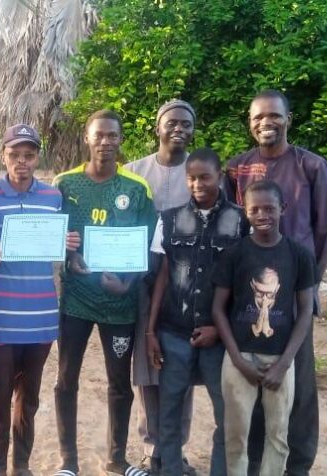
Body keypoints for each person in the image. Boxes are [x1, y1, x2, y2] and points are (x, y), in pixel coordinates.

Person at [226, 89, 327, 475]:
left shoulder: (311, 167)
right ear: (250, 122)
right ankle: (256, 462)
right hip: (247, 298)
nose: (265, 123)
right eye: (257, 117)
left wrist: (311, 287)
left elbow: (326, 230)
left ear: (288, 120)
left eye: (274, 116)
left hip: (292, 297)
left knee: (297, 384)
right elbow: (231, 230)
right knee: (251, 382)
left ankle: (297, 464)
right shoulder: (237, 169)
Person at [53, 110, 156, 476]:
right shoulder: (64, 185)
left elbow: (149, 246)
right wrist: (69, 256)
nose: (106, 142)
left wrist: (127, 284)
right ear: (87, 138)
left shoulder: (136, 188)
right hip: (76, 302)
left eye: (113, 136)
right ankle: (68, 462)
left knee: (119, 384)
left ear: (121, 139)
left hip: (120, 305)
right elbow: (51, 237)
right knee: (66, 380)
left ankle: (116, 459)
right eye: (100, 135)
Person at [0, 124, 79, 476]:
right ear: (2, 156)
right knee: (0, 395)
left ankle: (21, 466)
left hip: (41, 317)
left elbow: (56, 247)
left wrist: (65, 243)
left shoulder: (52, 198)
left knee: (30, 398)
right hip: (0, 318)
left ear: (38, 157)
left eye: (29, 155)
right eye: (14, 155)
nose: (22, 162)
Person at [147, 148, 249, 476]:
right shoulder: (169, 219)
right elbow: (161, 275)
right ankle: (171, 470)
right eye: (191, 178)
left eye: (205, 177)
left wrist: (220, 329)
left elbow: (244, 283)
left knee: (225, 415)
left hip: (220, 338)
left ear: (219, 176)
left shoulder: (241, 222)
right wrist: (151, 331)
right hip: (173, 332)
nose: (197, 184)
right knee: (169, 413)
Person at [211, 180, 315, 476]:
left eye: (269, 208)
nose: (262, 215)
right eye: (254, 209)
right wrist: (238, 360)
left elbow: (306, 310)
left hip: (281, 359)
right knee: (235, 437)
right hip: (239, 356)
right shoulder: (234, 254)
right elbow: (218, 309)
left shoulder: (298, 255)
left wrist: (285, 363)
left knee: (278, 437)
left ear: (283, 209)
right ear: (245, 212)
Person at [123, 99, 198, 474]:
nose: (179, 128)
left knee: (179, 367)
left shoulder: (199, 171)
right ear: (158, 127)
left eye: (186, 123)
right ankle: (154, 447)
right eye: (172, 122)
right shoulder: (134, 172)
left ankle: (175, 448)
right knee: (146, 368)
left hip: (186, 287)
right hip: (139, 283)